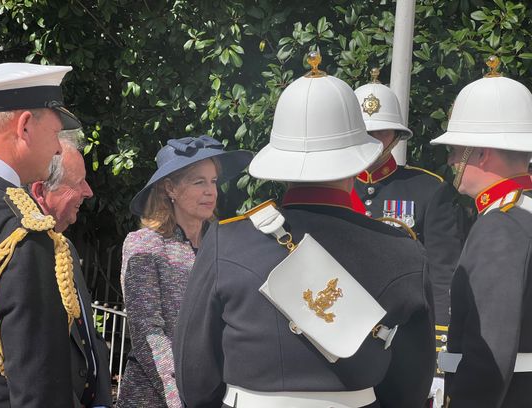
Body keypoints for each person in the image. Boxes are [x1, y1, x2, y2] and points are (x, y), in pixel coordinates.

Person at [174, 52, 435, 408]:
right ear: (358, 159)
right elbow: (409, 387)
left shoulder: (228, 241)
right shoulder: (404, 251)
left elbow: (195, 373)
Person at [117, 135, 252, 407]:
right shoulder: (145, 245)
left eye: (213, 181)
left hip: (217, 394)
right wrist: (181, 399)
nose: (211, 191)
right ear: (170, 188)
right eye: (198, 181)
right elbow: (149, 334)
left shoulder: (223, 245)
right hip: (155, 397)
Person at [431, 56, 532, 407]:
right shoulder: (519, 212)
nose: (451, 161)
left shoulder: (500, 225)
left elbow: (490, 346)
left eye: (457, 151)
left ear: (483, 153)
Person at [0, 62, 82, 407]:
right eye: (57, 133)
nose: (59, 149)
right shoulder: (22, 230)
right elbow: (39, 385)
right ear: (25, 125)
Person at [353, 69, 463, 349]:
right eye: (364, 132)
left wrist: (441, 343)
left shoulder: (429, 190)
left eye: (380, 131)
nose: (372, 139)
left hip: (405, 334)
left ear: (396, 136)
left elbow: (442, 274)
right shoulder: (330, 189)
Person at [29, 131, 113, 408]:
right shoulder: (19, 255)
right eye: (78, 182)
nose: (88, 192)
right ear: (41, 192)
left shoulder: (64, 245)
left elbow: (87, 334)